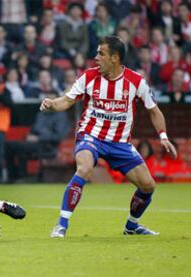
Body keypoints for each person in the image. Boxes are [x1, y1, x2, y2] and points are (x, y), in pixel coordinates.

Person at [40, 36, 177, 238]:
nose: (96, 58)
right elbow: (67, 101)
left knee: (148, 185)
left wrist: (163, 136)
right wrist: (52, 104)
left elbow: (154, 111)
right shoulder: (88, 76)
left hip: (119, 143)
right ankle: (61, 226)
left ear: (114, 58)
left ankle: (132, 226)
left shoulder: (136, 81)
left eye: (101, 53)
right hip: (91, 135)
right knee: (84, 168)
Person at [6, 90, 70, 182]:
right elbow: (33, 130)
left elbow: (59, 136)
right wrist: (29, 136)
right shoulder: (41, 114)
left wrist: (39, 138)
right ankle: (13, 177)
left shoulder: (61, 115)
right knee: (9, 145)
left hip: (48, 146)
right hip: (34, 143)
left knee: (18, 148)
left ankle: (21, 177)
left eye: (51, 99)